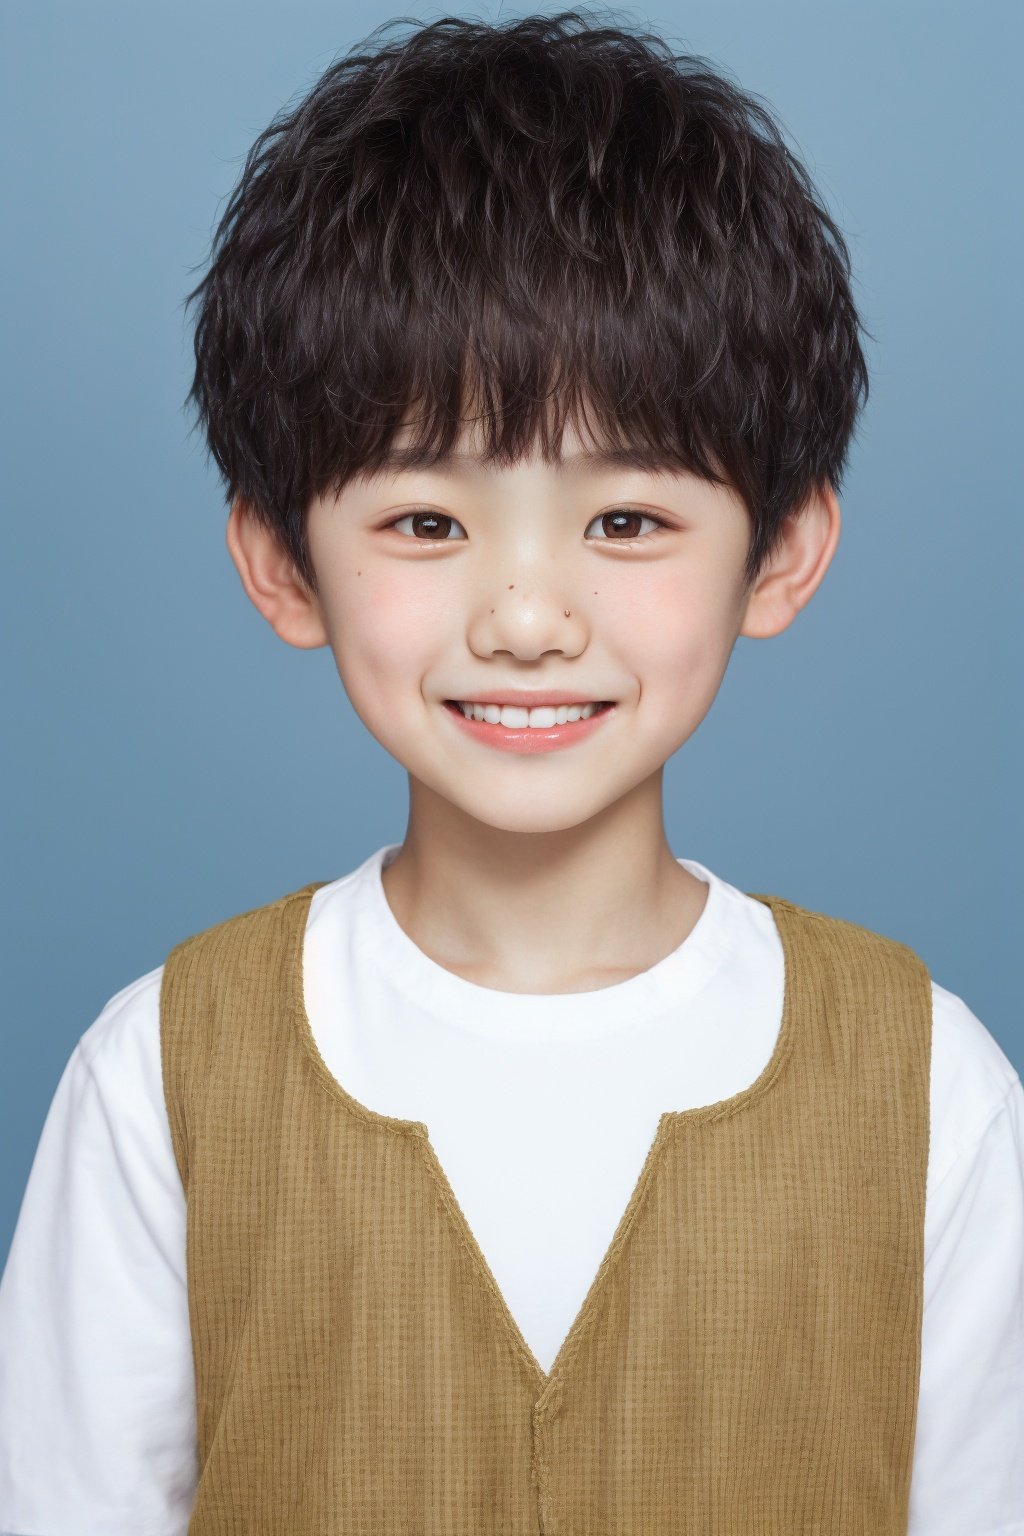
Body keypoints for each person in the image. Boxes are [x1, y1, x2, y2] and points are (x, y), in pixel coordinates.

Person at [1, 10, 1021, 1534]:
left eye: (626, 521)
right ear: (285, 565)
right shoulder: (164, 1071)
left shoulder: (930, 1084)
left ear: (785, 552)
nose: (529, 617)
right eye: (426, 522)